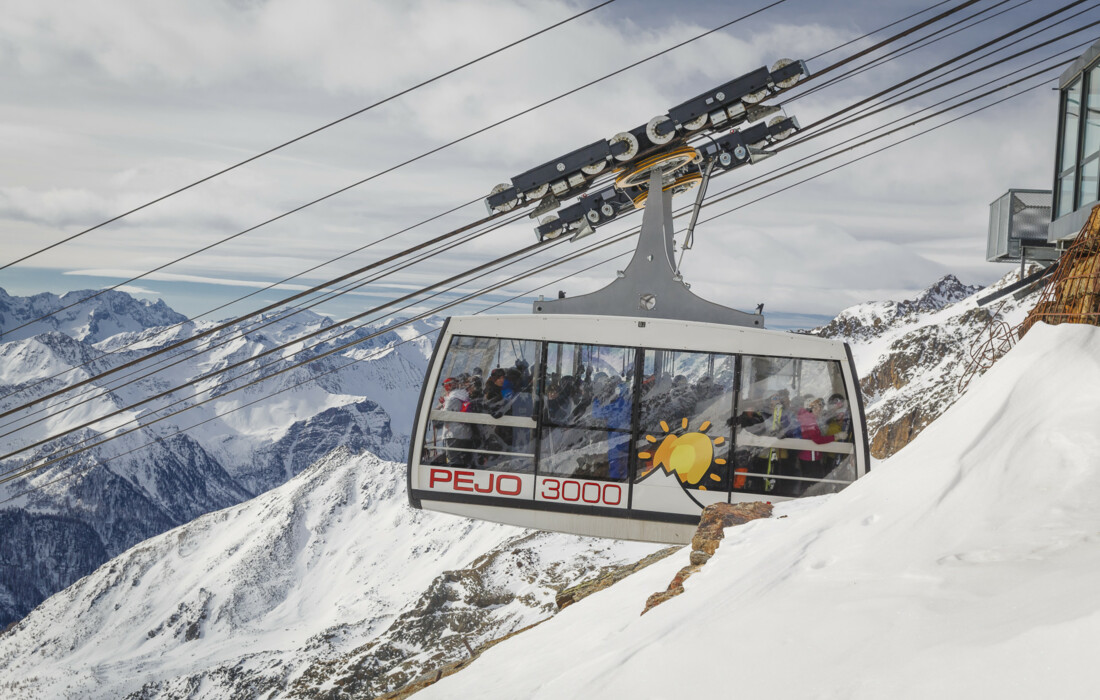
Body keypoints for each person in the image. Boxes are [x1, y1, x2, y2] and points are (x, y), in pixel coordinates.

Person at [440, 377, 473, 467]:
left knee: (453, 460)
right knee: (463, 459)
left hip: (453, 434)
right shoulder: (464, 396)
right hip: (465, 434)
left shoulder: (452, 399)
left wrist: (442, 407)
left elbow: (444, 415)